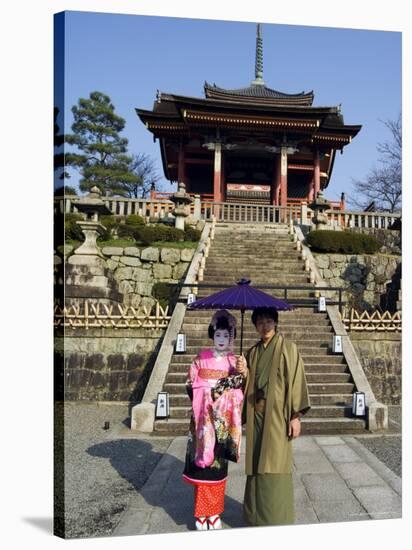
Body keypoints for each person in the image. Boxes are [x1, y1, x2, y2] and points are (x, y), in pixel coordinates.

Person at [235, 306, 310, 526]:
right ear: (255, 325)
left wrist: (295, 416)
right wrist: (244, 372)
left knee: (275, 461)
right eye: (260, 322)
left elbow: (296, 381)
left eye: (268, 321)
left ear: (275, 323)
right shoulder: (253, 352)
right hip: (257, 415)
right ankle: (254, 514)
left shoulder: (288, 348)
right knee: (256, 460)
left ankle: (276, 515)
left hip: (278, 417)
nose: (264, 326)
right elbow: (247, 384)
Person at [183, 310, 244, 531]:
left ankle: (215, 512)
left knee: (218, 467)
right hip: (202, 420)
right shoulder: (200, 358)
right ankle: (201, 514)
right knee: (202, 468)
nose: (221, 340)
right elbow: (190, 384)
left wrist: (239, 376)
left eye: (226, 336)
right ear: (212, 335)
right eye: (218, 335)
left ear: (231, 338)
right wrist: (204, 392)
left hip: (222, 422)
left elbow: (239, 390)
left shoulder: (233, 361)